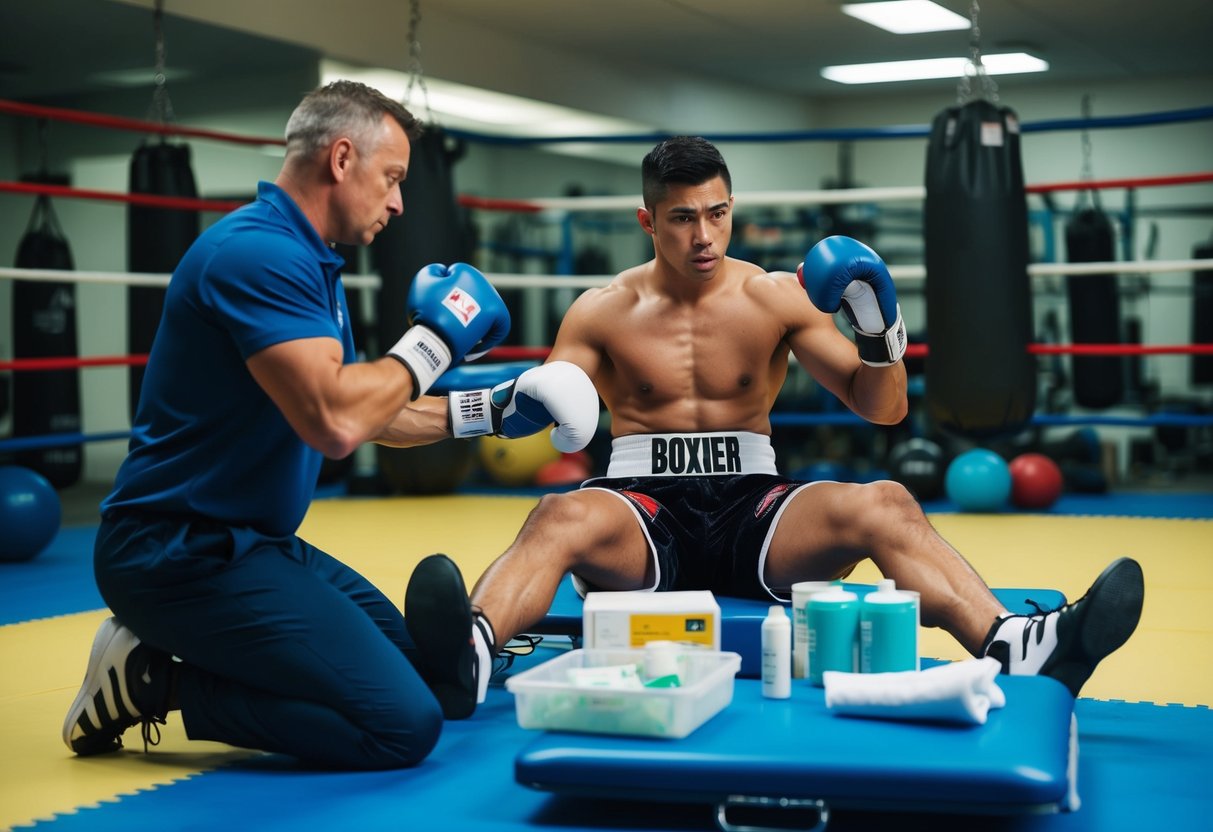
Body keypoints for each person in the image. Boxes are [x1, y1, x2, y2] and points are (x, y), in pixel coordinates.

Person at [404, 135, 1145, 719]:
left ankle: (1015, 642)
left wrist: (880, 328)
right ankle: (468, 654)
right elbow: (554, 415)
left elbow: (881, 407)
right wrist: (513, 401)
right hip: (640, 511)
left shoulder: (774, 298)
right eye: (683, 218)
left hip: (753, 508)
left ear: (732, 207)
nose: (704, 236)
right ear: (647, 220)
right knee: (557, 512)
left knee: (883, 501)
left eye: (717, 213)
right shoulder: (599, 312)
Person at [61, 80, 599, 769]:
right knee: (401, 726)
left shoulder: (313, 263)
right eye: (393, 177)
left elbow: (366, 407)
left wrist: (489, 410)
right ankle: (148, 680)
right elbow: (338, 422)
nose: (401, 201)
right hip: (174, 555)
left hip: (256, 544)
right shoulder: (254, 256)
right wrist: (436, 341)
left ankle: (189, 665)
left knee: (436, 683)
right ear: (342, 159)